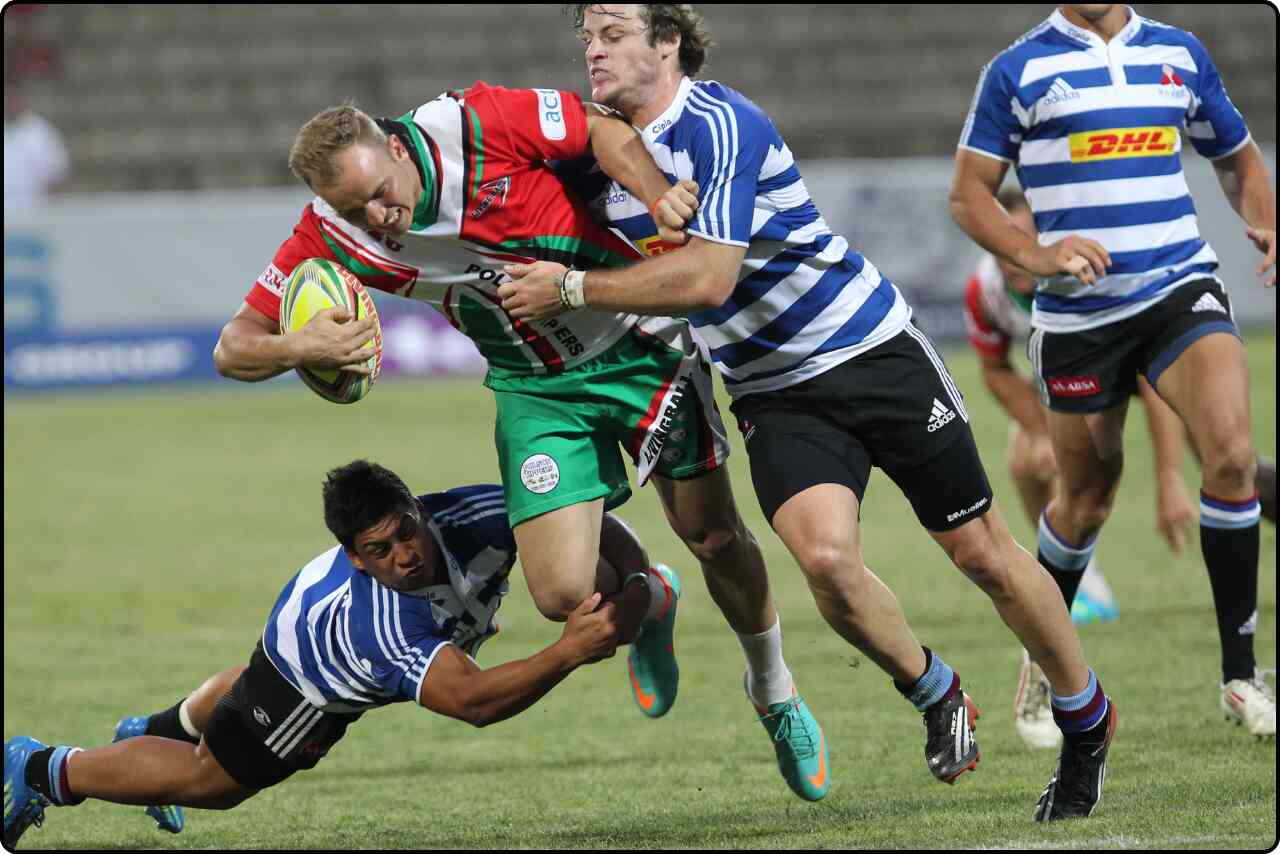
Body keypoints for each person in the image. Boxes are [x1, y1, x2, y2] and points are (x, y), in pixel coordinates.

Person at [497, 4, 1116, 821]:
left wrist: (573, 288)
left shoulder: (722, 125)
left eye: (613, 33)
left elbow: (710, 279)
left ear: (668, 42)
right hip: (772, 391)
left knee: (984, 554)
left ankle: (1086, 724)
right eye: (586, 37)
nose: (593, 50)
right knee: (825, 564)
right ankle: (935, 689)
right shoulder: (598, 152)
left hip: (870, 351)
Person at [211, 84, 827, 800]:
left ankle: (773, 690)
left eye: (380, 193)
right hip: (535, 389)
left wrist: (658, 194)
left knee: (715, 537)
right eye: (355, 210)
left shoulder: (471, 122)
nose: (378, 219)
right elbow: (234, 349)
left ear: (393, 144)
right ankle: (654, 602)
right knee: (564, 594)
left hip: (635, 343)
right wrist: (297, 344)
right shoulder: (329, 233)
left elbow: (597, 130)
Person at [3, 460, 628, 849]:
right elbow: (473, 702)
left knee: (237, 698)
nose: (402, 555)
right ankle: (41, 768)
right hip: (312, 676)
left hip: (306, 613)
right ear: (356, 558)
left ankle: (150, 735)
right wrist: (566, 651)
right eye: (378, 550)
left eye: (405, 531)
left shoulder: (476, 511)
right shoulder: (384, 623)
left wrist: (633, 571)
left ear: (417, 509)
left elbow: (563, 519)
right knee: (212, 781)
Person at [950, 4, 1275, 738]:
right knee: (1086, 502)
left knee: (1230, 456)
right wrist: (1033, 256)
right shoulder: (1016, 70)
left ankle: (1241, 676)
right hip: (1079, 321)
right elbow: (967, 195)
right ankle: (1043, 660)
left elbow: (1238, 157)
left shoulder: (1180, 53)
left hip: (1178, 288)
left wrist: (1266, 216)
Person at [965, 188, 1192, 748]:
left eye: (1027, 245)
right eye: (1005, 248)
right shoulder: (986, 291)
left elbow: (1151, 382)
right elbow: (995, 370)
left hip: (1141, 363)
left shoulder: (1086, 269)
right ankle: (1074, 580)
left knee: (1228, 465)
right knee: (1028, 457)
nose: (1015, 260)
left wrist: (1170, 481)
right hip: (1075, 381)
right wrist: (1043, 430)